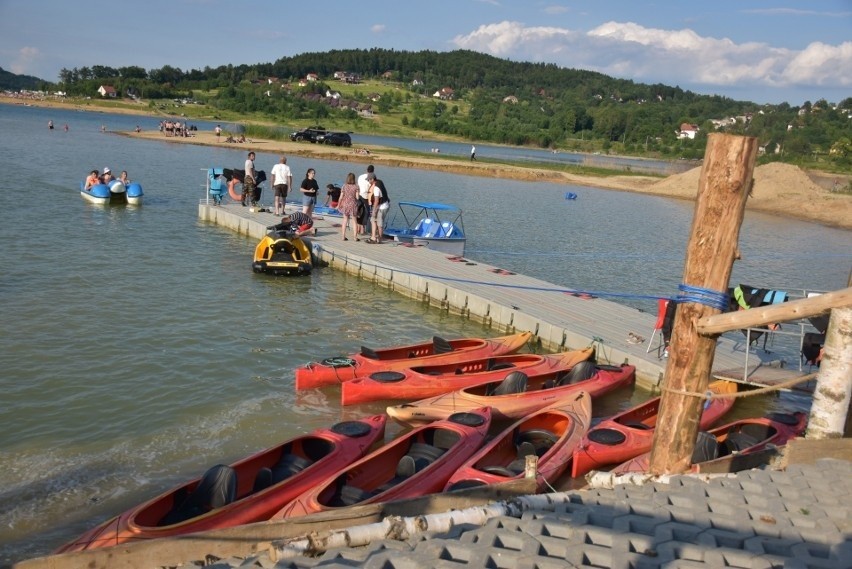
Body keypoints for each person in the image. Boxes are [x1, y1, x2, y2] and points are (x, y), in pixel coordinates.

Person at [367, 176, 389, 244]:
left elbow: (376, 201)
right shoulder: (379, 182)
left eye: (369, 180)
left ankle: (379, 239)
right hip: (384, 205)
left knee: (379, 223)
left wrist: (373, 211)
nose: (368, 181)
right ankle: (374, 237)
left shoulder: (376, 188)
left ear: (372, 179)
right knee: (374, 220)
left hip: (382, 207)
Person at [338, 173, 360, 241]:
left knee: (345, 220)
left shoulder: (344, 186)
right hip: (353, 204)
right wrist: (358, 192)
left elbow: (341, 197)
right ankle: (355, 237)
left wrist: (339, 204)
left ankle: (343, 236)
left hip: (345, 204)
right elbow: (357, 197)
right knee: (354, 221)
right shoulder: (356, 186)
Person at [356, 165, 374, 236]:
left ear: (367, 169)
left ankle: (358, 228)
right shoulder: (372, 178)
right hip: (367, 197)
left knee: (359, 212)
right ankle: (363, 230)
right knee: (366, 212)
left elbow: (358, 185)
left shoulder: (360, 176)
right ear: (373, 170)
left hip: (360, 195)